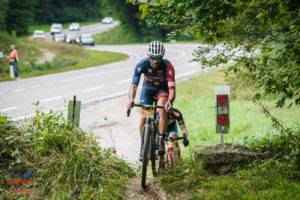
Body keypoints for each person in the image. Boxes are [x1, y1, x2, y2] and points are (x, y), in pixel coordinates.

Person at [127, 41, 176, 159]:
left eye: (158, 58)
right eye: (153, 58)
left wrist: (170, 101)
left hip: (162, 90)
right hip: (148, 89)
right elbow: (134, 86)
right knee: (144, 117)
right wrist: (130, 99)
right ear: (149, 55)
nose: (155, 61)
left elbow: (172, 90)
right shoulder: (142, 65)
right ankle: (144, 146)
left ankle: (160, 140)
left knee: (162, 108)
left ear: (162, 56)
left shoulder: (168, 66)